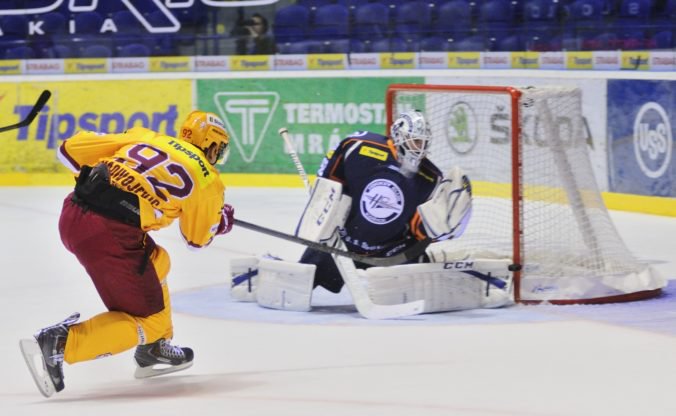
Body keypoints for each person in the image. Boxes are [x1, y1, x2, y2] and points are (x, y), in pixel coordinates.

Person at [20, 110, 235, 397]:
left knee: (158, 260)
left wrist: (120, 176)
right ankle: (62, 344)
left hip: (73, 212)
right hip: (109, 235)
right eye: (218, 149)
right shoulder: (207, 179)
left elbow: (68, 151)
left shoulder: (148, 137)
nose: (217, 155)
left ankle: (155, 349)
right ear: (210, 144)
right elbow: (197, 239)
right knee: (149, 321)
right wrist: (218, 222)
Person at [298, 109, 455, 293]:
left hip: (389, 254)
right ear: (398, 136)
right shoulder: (358, 146)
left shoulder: (430, 177)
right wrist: (324, 197)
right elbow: (330, 174)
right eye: (415, 140)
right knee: (300, 283)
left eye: (423, 142)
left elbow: (420, 229)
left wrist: (443, 228)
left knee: (424, 291)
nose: (419, 148)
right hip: (341, 245)